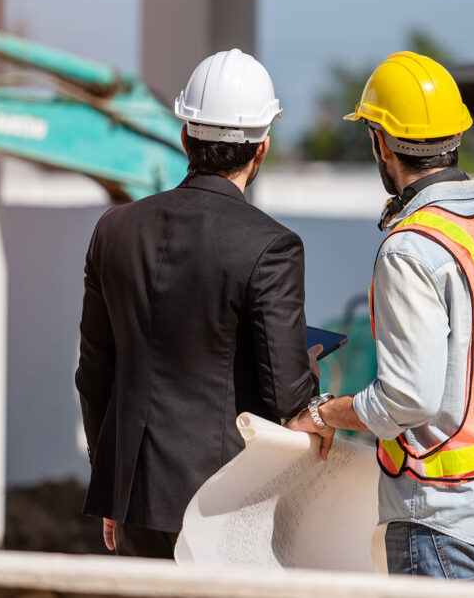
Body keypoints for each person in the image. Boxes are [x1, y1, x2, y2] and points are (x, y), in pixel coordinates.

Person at [288, 52, 474, 582]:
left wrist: (325, 413)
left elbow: (408, 400)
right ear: (456, 136)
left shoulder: (411, 248)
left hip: (445, 523)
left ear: (381, 143)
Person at [75, 49, 322, 559]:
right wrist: (309, 368)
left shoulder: (114, 231)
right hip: (224, 502)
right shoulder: (272, 246)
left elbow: (94, 372)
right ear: (262, 148)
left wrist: (112, 484)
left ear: (185, 136)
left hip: (135, 497)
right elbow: (287, 397)